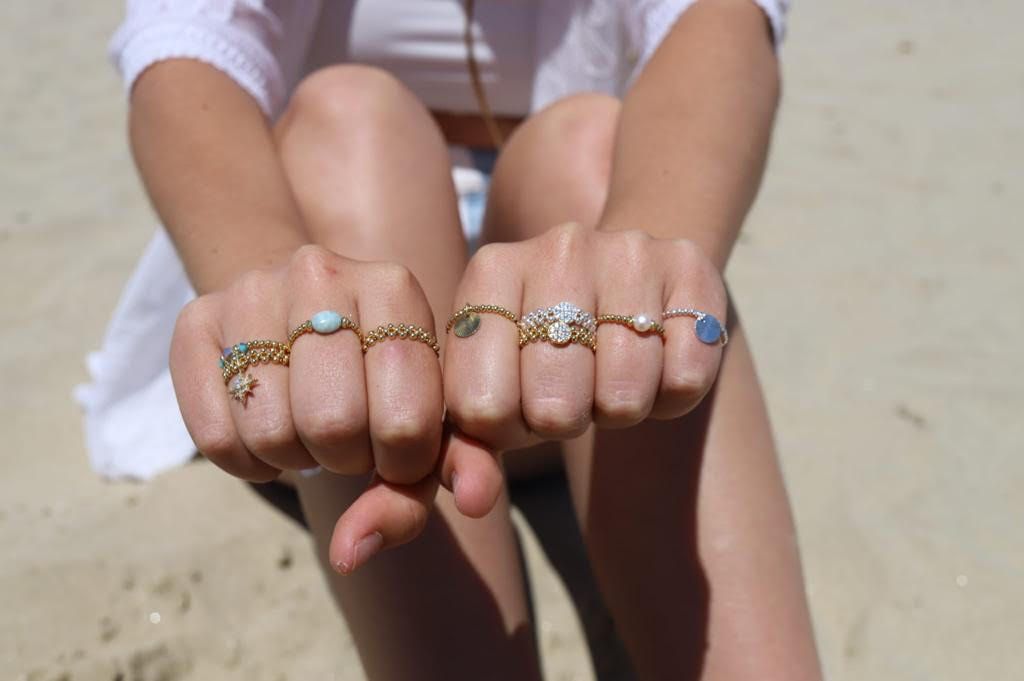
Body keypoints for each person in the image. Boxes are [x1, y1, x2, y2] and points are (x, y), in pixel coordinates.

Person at [93, 0, 821, 677]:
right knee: (348, 120)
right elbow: (183, 51)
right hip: (337, 395)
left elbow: (720, 19)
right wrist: (276, 285)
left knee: (587, 147)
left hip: (564, 385)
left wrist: (653, 273)